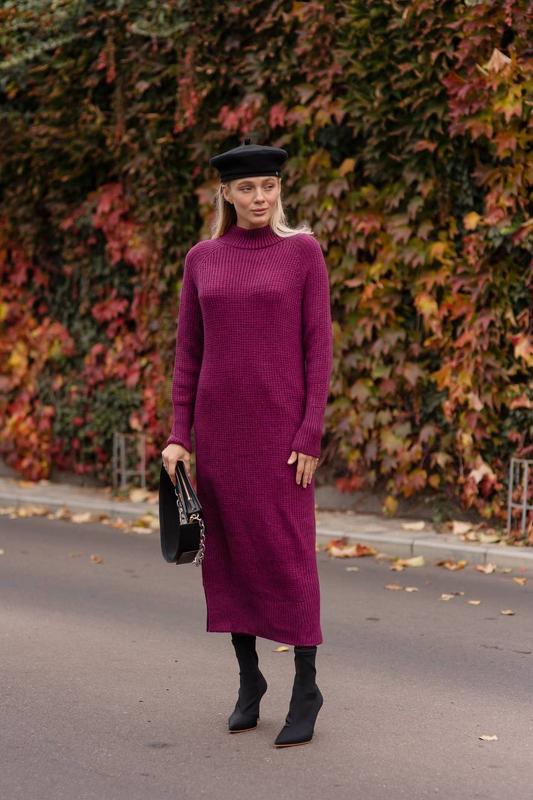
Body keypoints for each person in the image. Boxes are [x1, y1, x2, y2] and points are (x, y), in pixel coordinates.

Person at [161, 138, 333, 748]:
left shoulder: (303, 252)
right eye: (248, 188)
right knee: (230, 556)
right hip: (220, 437)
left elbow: (319, 349)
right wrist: (179, 435)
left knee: (290, 558)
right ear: (226, 194)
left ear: (279, 189)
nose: (260, 197)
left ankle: (306, 687)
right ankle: (249, 680)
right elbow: (189, 351)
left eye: (269, 186)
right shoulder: (202, 259)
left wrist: (310, 431)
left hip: (282, 440)